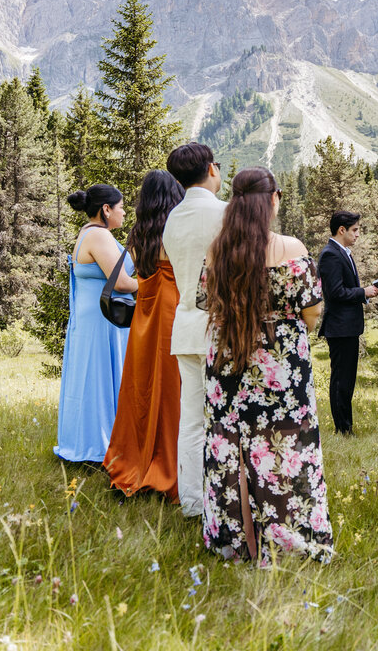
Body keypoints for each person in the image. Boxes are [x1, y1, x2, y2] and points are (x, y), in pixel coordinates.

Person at [200, 166, 332, 565]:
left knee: (231, 444)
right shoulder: (291, 248)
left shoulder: (217, 250)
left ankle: (234, 538)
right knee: (287, 443)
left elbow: (207, 303)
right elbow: (312, 311)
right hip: (280, 362)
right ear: (272, 200)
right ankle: (290, 536)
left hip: (229, 357)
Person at [103, 170, 186, 500]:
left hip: (144, 315)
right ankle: (169, 462)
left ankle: (134, 456)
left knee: (141, 386)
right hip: (171, 313)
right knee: (171, 389)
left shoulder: (139, 235)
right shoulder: (175, 233)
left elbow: (135, 275)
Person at [162, 143, 227, 517]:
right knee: (226, 417)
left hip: (185, 326)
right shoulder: (226, 213)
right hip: (221, 327)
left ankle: (191, 502)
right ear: (212, 169)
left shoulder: (172, 219)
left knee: (191, 420)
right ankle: (225, 498)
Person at [56, 184, 137, 462]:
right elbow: (122, 282)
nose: (124, 212)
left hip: (92, 316)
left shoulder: (89, 233)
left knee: (92, 377)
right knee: (100, 376)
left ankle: (93, 440)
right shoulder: (99, 236)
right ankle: (99, 445)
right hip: (103, 319)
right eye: (121, 207)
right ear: (106, 209)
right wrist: (155, 285)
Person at [316, 211, 378, 435]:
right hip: (339, 327)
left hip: (347, 327)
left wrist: (366, 294)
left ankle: (345, 427)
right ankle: (342, 429)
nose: (358, 234)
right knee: (341, 380)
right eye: (355, 230)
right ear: (341, 230)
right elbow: (334, 292)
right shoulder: (330, 254)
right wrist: (363, 292)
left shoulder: (343, 253)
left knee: (347, 380)